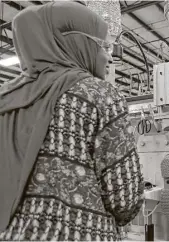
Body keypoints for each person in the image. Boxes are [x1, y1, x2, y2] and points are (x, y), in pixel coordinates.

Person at [0, 2, 144, 240]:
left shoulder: (4, 98)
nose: (108, 56)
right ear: (78, 42)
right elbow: (125, 201)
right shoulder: (99, 95)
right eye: (103, 45)